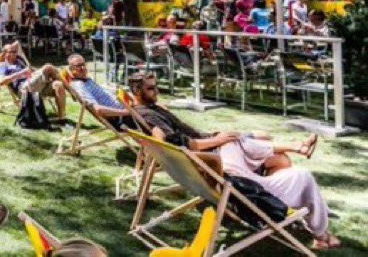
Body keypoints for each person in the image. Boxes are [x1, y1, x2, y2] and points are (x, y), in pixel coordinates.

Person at [129, 72, 336, 249]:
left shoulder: (148, 111)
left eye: (156, 87)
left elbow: (169, 141)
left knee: (279, 160)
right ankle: (321, 235)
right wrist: (216, 141)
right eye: (151, 88)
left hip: (213, 165)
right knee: (301, 174)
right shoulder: (150, 115)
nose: (156, 91)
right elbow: (172, 141)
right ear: (137, 91)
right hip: (222, 169)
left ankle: (298, 151)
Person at [0, 43, 66, 120]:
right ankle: (72, 91)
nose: (15, 53)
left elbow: (17, 43)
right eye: (11, 52)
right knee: (48, 67)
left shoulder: (19, 61)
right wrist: (21, 73)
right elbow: (1, 82)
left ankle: (61, 119)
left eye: (15, 51)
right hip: (24, 89)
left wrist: (32, 72)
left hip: (36, 85)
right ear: (5, 53)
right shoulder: (2, 65)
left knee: (58, 84)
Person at [65, 54, 131, 127]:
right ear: (71, 69)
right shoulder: (79, 85)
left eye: (83, 64)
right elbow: (98, 109)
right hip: (121, 117)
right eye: (78, 66)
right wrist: (126, 112)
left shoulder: (86, 80)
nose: (83, 68)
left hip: (125, 109)